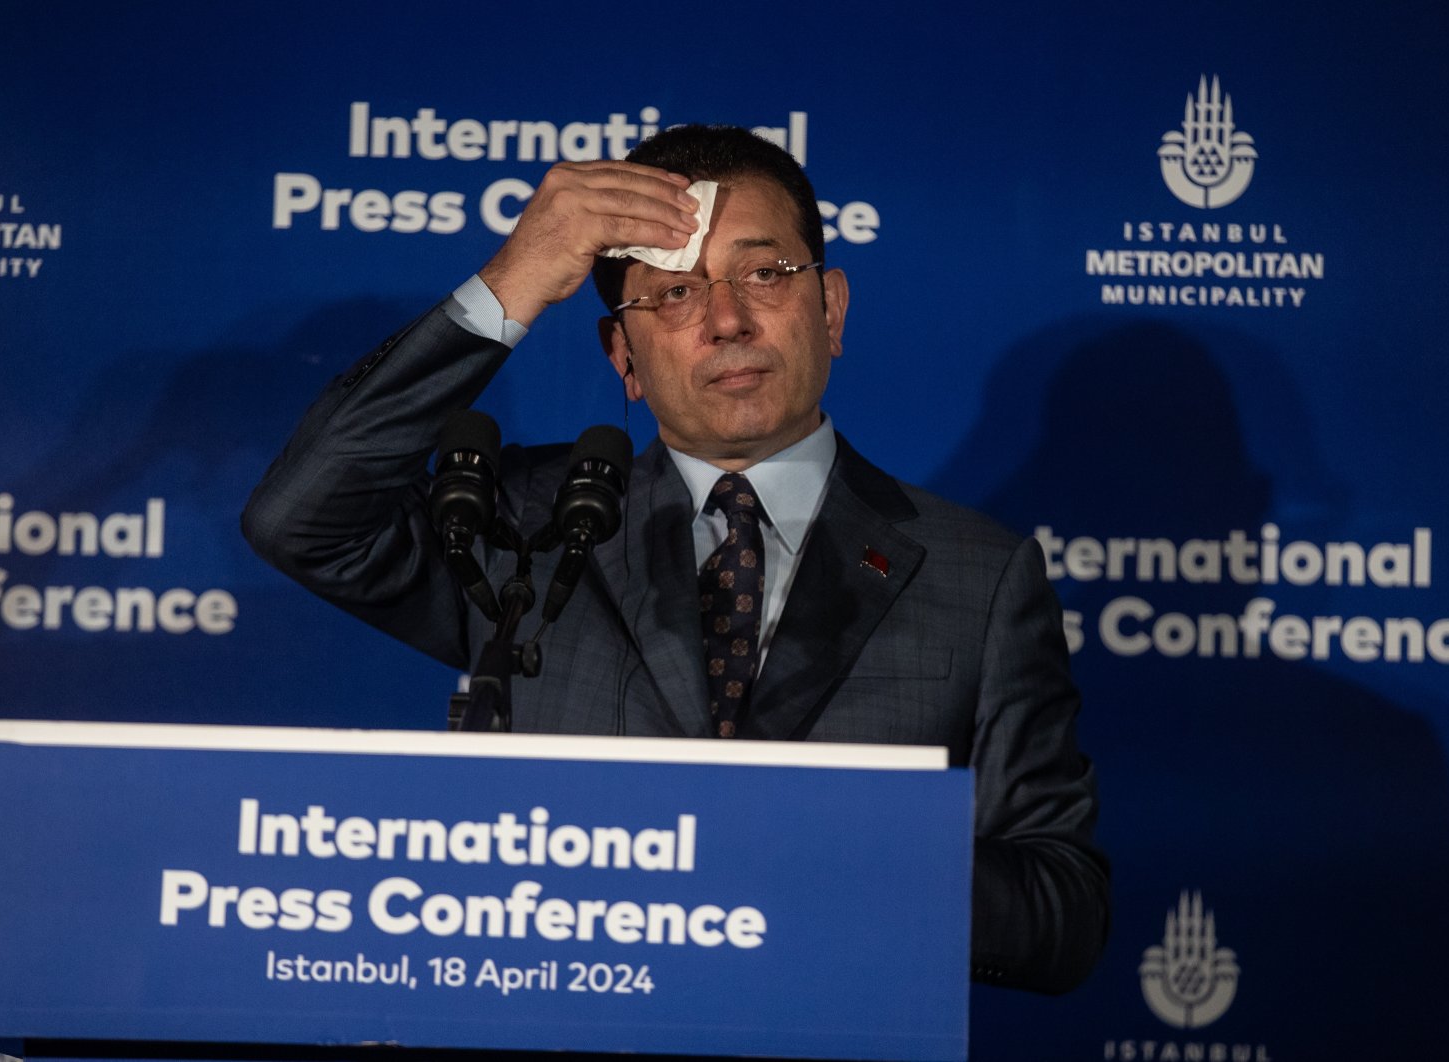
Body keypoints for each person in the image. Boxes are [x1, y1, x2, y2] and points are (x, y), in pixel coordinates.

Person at [243, 124, 1108, 993]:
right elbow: (303, 519)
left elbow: (1060, 911)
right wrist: (514, 282)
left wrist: (837, 847)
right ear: (623, 356)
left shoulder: (980, 575)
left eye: (765, 274)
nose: (728, 320)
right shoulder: (523, 527)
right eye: (673, 295)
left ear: (831, 308)